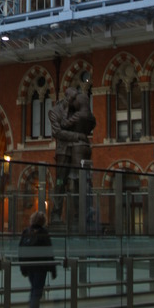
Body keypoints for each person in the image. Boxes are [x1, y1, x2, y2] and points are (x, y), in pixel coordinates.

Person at [49, 87, 96, 222]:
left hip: (78, 150)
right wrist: (78, 136)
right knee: (60, 182)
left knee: (79, 181)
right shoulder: (54, 111)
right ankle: (56, 213)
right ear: (68, 98)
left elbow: (90, 122)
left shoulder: (78, 109)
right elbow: (57, 132)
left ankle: (80, 213)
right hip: (63, 151)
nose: (76, 101)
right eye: (74, 98)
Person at [18, 210, 57, 308]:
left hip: (29, 267)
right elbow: (49, 253)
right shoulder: (44, 233)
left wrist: (22, 268)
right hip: (41, 268)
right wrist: (53, 270)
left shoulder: (26, 231)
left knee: (34, 290)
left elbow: (21, 250)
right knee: (37, 292)